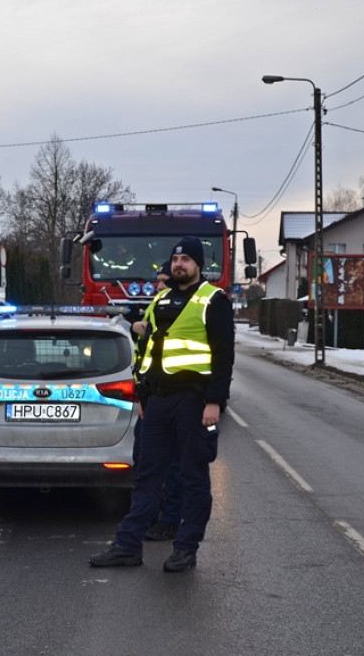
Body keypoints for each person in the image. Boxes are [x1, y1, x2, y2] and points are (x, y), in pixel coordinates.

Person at [89, 236, 234, 572]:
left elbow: (224, 357)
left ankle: (185, 548)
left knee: (193, 476)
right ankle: (128, 546)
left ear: (198, 265)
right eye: (175, 259)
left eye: (185, 259)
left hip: (194, 402)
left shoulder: (214, 301)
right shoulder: (161, 300)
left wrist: (215, 401)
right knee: (147, 476)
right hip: (158, 402)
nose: (179, 264)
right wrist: (142, 394)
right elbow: (147, 351)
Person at [130, 261, 183, 542]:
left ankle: (170, 520)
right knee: (144, 463)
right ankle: (148, 517)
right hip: (148, 398)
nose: (157, 285)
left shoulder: (180, 309)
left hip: (172, 399)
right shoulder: (156, 305)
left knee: (174, 466)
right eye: (158, 280)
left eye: (163, 281)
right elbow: (143, 356)